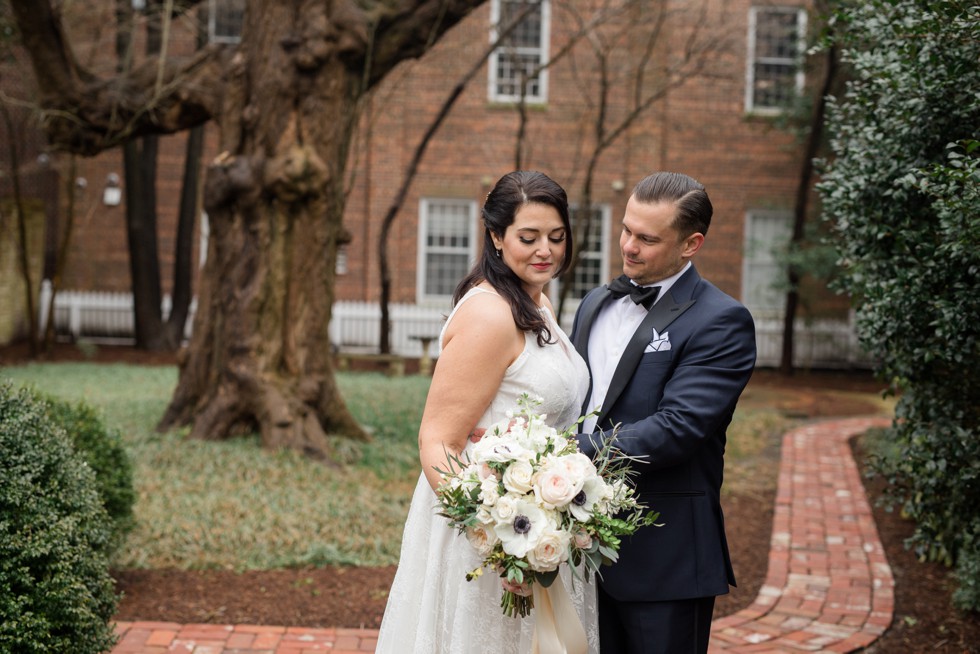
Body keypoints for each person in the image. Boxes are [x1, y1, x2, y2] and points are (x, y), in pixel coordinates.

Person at [376, 170, 599, 653]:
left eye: (557, 237)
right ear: (496, 237)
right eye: (529, 237)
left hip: (541, 523)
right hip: (490, 532)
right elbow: (438, 441)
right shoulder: (490, 314)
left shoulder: (536, 303)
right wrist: (495, 536)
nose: (546, 250)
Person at [571, 171, 757, 654]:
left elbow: (678, 428)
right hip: (578, 550)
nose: (629, 246)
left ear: (691, 243)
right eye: (627, 229)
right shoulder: (594, 303)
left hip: (664, 559)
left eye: (648, 238)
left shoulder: (721, 321)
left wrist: (568, 455)